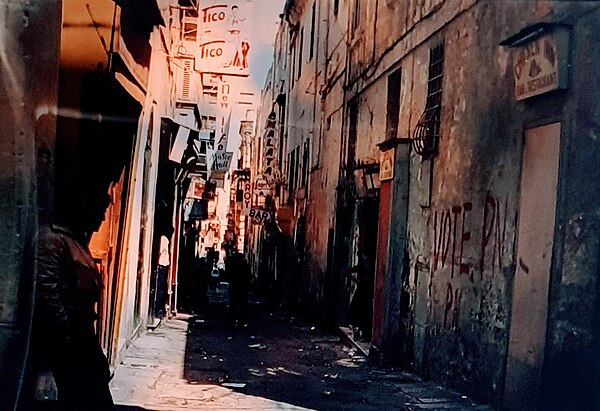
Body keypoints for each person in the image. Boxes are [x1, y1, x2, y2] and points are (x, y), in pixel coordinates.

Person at [30, 188, 115, 410]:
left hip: (79, 331)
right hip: (67, 335)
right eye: (99, 211)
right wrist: (65, 331)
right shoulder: (53, 238)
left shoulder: (73, 239)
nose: (102, 218)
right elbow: (46, 289)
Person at [346, 248, 374, 342]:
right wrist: (357, 281)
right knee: (357, 313)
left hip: (366, 293)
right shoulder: (362, 266)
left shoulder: (369, 267)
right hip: (362, 291)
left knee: (363, 313)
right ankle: (358, 334)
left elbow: (347, 272)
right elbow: (347, 272)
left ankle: (363, 335)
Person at [226, 252, 251, 328]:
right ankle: (240, 322)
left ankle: (233, 322)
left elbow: (229, 276)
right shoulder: (245, 266)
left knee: (234, 306)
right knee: (241, 307)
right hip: (242, 289)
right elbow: (248, 277)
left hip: (235, 288)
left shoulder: (233, 266)